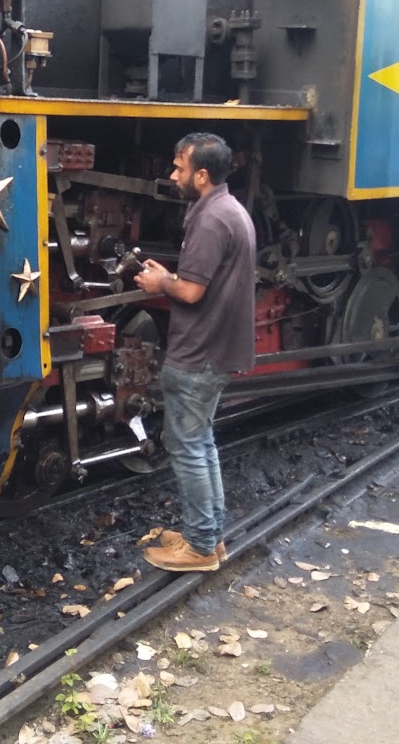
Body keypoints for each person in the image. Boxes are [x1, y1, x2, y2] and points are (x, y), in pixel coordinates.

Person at [132, 132, 256, 572]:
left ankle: (200, 547)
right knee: (200, 442)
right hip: (216, 346)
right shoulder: (229, 209)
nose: (173, 174)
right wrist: (171, 276)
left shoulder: (209, 220)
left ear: (202, 175)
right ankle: (209, 536)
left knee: (187, 445)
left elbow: (190, 291)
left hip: (200, 351)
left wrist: (158, 283)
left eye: (180, 168)